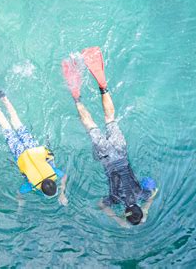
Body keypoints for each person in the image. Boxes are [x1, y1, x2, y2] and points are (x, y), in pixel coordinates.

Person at [62, 47, 158, 227]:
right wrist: (117, 219)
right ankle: (76, 98)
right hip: (106, 158)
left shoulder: (141, 194)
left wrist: (146, 208)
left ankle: (103, 87)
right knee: (91, 126)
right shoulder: (116, 199)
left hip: (120, 151)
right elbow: (100, 205)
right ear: (126, 213)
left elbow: (153, 191)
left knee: (110, 120)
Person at [0, 89, 68, 205]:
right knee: (6, 127)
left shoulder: (53, 173)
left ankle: (4, 98)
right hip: (20, 153)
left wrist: (62, 192)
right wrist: (20, 203)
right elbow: (20, 192)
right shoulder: (31, 185)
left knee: (17, 123)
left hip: (32, 148)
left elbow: (64, 176)